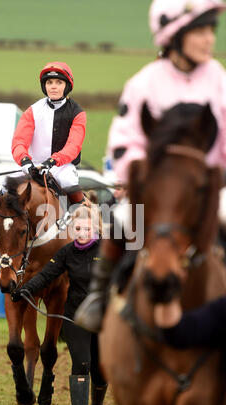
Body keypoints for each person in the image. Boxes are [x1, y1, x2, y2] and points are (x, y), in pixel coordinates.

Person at [75, 0, 226, 333]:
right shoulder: (145, 83)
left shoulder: (218, 78)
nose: (209, 40)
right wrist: (143, 177)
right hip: (159, 189)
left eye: (211, 31)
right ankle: (99, 297)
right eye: (200, 31)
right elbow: (124, 141)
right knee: (121, 218)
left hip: (208, 185)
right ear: (174, 36)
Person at [10, 207, 107, 405]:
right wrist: (24, 290)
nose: (82, 233)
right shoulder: (67, 253)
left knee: (100, 368)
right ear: (72, 229)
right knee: (82, 362)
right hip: (76, 316)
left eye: (86, 228)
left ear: (95, 229)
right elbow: (46, 274)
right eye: (78, 228)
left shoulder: (107, 250)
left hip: (104, 317)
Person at [11, 61, 87, 218]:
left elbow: (74, 146)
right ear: (44, 86)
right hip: (33, 166)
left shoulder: (78, 113)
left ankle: (82, 221)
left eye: (59, 82)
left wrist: (52, 161)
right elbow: (19, 141)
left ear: (67, 86)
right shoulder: (32, 111)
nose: (53, 86)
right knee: (5, 189)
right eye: (49, 82)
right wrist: (24, 160)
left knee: (68, 182)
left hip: (62, 168)